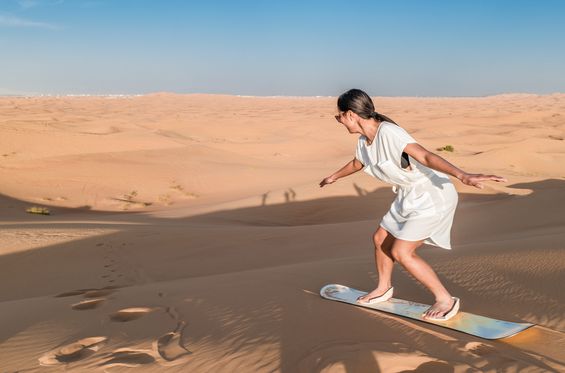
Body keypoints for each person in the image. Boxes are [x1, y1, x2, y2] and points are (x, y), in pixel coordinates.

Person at [319, 88, 507, 321]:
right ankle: (384, 287)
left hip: (432, 195)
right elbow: (358, 162)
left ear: (350, 114)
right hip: (408, 195)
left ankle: (445, 299)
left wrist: (463, 175)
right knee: (380, 239)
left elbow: (426, 156)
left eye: (338, 116)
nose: (338, 121)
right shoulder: (363, 140)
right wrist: (334, 177)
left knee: (401, 251)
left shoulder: (389, 132)